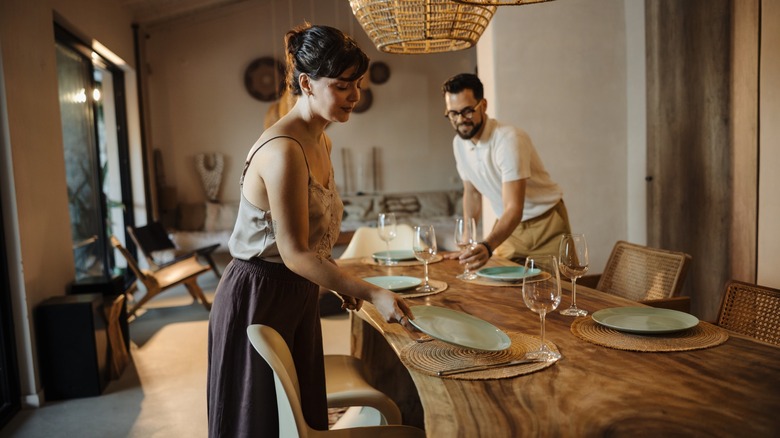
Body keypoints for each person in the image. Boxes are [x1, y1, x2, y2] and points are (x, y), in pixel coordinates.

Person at [207, 24, 414, 437]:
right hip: (259, 296)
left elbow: (312, 241)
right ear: (306, 82)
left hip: (295, 291)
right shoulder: (284, 150)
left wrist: (337, 281)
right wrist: (370, 291)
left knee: (298, 413)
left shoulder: (322, 141)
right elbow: (295, 253)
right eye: (342, 85)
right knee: (260, 420)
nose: (355, 96)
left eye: (357, 84)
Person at [442, 73, 571, 270]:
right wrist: (468, 239)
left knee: (558, 291)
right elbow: (472, 192)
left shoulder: (508, 139)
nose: (460, 120)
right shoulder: (458, 144)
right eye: (453, 113)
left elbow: (514, 207)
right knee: (502, 291)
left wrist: (487, 245)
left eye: (467, 111)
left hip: (546, 224)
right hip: (509, 228)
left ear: (483, 105)